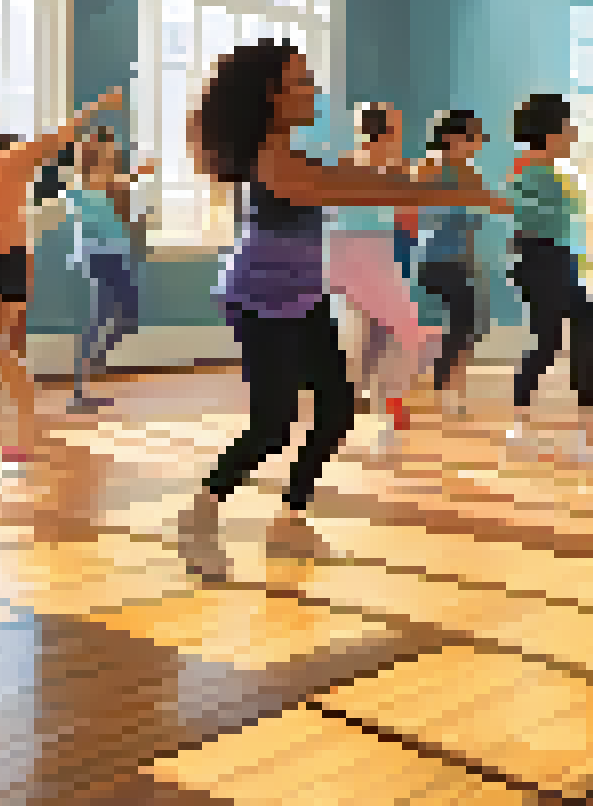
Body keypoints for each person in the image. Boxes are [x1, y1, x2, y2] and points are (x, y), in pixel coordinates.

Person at [178, 41, 505, 568]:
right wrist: (446, 184)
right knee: (274, 420)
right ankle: (200, 513)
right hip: (259, 297)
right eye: (302, 82)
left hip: (304, 292)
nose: (314, 91)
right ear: (271, 96)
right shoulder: (272, 158)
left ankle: (291, 513)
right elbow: (361, 187)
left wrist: (444, 179)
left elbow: (366, 179)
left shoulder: (291, 152)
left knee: (336, 409)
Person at [0, 83, 125, 469]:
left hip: (6, 263)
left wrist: (99, 102)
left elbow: (60, 136)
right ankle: (9, 439)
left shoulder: (11, 159)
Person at [328, 103, 444, 439]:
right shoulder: (387, 168)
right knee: (376, 332)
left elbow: (407, 217)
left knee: (376, 332)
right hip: (365, 253)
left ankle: (379, 400)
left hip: (369, 252)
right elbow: (409, 214)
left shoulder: (355, 166)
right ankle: (374, 400)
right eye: (395, 127)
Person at [507, 93, 593, 463]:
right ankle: (520, 423)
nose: (573, 131)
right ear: (550, 131)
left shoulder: (553, 171)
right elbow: (522, 219)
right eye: (568, 125)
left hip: (557, 259)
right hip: (539, 260)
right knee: (549, 341)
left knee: (581, 331)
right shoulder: (529, 169)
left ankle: (581, 433)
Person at [68, 127, 154, 412]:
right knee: (97, 321)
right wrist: (133, 177)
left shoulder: (118, 185)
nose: (111, 154)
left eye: (113, 150)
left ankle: (96, 360)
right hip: (97, 259)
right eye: (105, 150)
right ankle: (81, 392)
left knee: (130, 316)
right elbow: (96, 194)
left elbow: (126, 221)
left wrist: (139, 225)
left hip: (119, 256)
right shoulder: (82, 185)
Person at [415, 110, 493, 414]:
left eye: (478, 139)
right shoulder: (429, 169)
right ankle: (444, 386)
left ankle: (451, 388)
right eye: (471, 137)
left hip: (460, 261)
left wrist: (474, 267)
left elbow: (473, 226)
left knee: (469, 324)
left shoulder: (472, 174)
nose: (476, 144)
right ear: (450, 138)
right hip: (434, 258)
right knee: (462, 322)